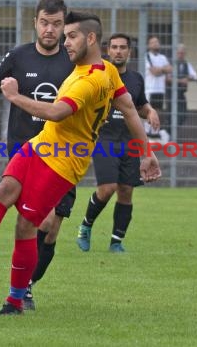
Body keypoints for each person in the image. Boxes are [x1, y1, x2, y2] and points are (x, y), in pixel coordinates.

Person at [0, 11, 161, 315]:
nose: (65, 42)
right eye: (65, 36)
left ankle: (15, 300)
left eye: (71, 36)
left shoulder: (89, 81)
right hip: (38, 147)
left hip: (62, 164)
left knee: (26, 227)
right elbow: (129, 108)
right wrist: (147, 152)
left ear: (91, 39)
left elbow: (56, 113)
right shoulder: (107, 70)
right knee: (3, 190)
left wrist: (14, 96)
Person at [0, 0, 74, 311]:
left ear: (64, 26)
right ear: (35, 22)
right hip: (23, 153)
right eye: (45, 22)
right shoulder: (18, 57)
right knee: (36, 221)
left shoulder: (73, 62)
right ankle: (21, 290)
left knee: (52, 227)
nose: (50, 29)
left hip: (63, 154)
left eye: (57, 24)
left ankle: (25, 285)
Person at [76, 33, 160, 253]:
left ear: (129, 52)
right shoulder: (97, 75)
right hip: (103, 139)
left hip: (129, 141)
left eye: (123, 47)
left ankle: (116, 242)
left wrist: (150, 111)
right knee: (108, 188)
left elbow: (139, 106)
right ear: (108, 50)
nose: (118, 51)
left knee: (125, 191)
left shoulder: (136, 79)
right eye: (114, 47)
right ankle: (86, 225)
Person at [145, 35, 173, 142]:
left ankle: (154, 133)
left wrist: (160, 69)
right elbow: (154, 72)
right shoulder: (147, 56)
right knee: (149, 111)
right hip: (150, 89)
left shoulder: (163, 58)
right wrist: (163, 70)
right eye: (153, 42)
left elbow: (170, 69)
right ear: (149, 45)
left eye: (157, 42)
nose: (155, 44)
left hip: (160, 89)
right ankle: (147, 133)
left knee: (158, 112)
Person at [175, 43, 197, 126]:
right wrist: (181, 81)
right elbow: (168, 78)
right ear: (176, 53)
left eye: (182, 53)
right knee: (172, 115)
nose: (181, 55)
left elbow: (194, 76)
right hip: (172, 94)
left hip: (181, 93)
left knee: (183, 114)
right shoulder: (171, 64)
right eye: (179, 53)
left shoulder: (186, 64)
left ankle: (174, 131)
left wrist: (187, 78)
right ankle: (170, 133)